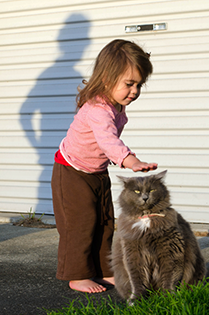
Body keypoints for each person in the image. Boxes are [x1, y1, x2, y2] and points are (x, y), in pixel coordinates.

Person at [51, 39, 157, 293]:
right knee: (80, 224)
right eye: (129, 84)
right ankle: (77, 275)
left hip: (96, 171)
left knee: (105, 222)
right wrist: (130, 160)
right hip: (71, 172)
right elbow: (108, 140)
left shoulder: (116, 105)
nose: (134, 91)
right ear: (107, 79)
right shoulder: (99, 109)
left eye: (139, 85)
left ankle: (103, 270)